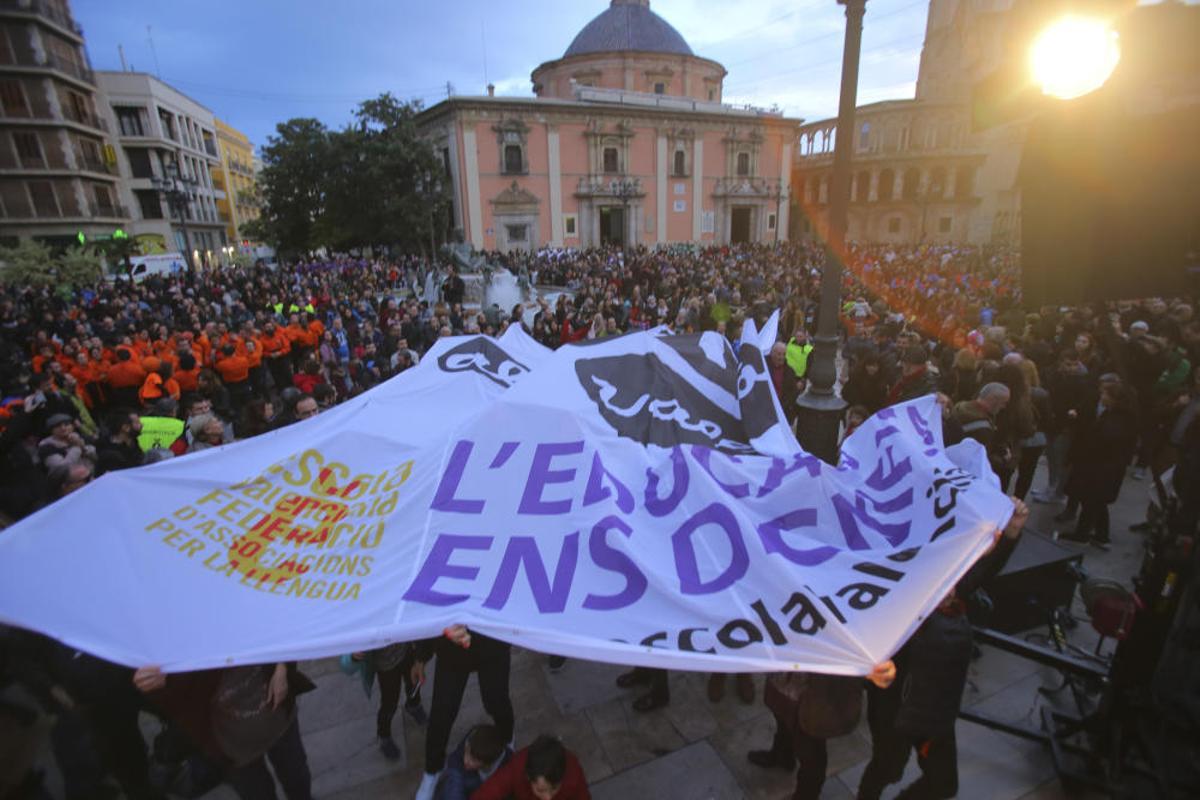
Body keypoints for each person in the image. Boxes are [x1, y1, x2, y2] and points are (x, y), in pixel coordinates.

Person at [858, 498, 1029, 800]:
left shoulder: (953, 596)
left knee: (943, 784)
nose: (951, 590)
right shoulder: (896, 615)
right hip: (896, 718)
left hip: (935, 715)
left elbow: (981, 573)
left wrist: (1012, 532)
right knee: (887, 769)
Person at [132, 663, 315, 800]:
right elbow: (174, 701)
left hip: (278, 719)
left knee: (297, 776)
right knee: (258, 794)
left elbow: (280, 629)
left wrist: (282, 669)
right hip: (231, 746)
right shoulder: (176, 642)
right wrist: (155, 683)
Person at [747, 662, 897, 800]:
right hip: (784, 674)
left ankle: (806, 796)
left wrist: (870, 670)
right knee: (781, 717)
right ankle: (782, 755)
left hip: (818, 694)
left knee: (811, 755)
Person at [413, 625, 514, 800]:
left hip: (493, 641)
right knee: (442, 713)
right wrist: (421, 656)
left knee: (496, 701)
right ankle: (432, 771)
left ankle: (507, 740)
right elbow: (431, 609)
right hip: (451, 651)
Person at [1061, 382, 1138, 550]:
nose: (1101, 396)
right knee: (1098, 501)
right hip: (1105, 468)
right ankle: (1102, 536)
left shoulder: (1116, 421)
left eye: (1105, 394)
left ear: (1114, 399)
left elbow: (1103, 444)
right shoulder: (1119, 417)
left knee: (1091, 500)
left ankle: (1082, 535)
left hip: (1100, 469)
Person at [470, 735, 589, 800]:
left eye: (554, 788)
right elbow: (488, 792)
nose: (548, 798)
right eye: (541, 790)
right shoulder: (516, 768)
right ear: (527, 776)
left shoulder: (573, 775)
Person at [436, 724, 511, 800]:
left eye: (474, 760)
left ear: (488, 764)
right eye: (467, 752)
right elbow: (455, 764)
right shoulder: (472, 740)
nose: (466, 760)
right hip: (467, 781)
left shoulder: (507, 766)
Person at [95, 408, 144, 474]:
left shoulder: (132, 441)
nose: (141, 425)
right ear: (125, 428)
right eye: (137, 422)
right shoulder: (111, 457)